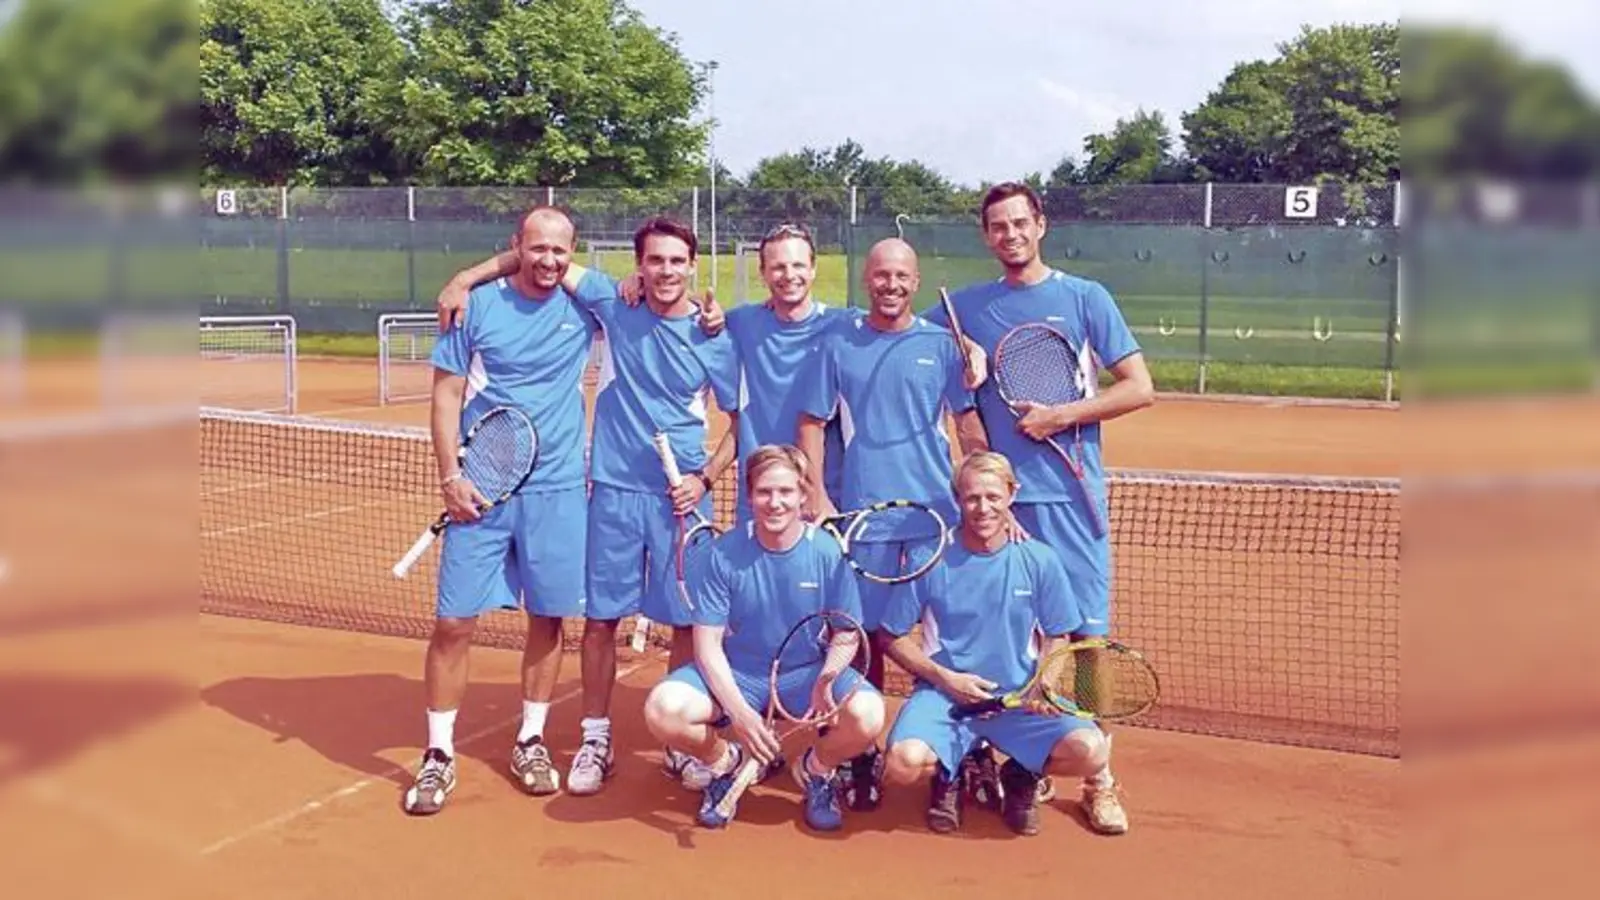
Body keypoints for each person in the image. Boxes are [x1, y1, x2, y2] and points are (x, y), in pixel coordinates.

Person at [434, 216, 740, 797]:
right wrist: (464, 278)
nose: (666, 271)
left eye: (677, 261)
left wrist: (704, 478)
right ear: (639, 266)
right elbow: (532, 256)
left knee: (681, 622)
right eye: (655, 260)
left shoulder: (713, 336)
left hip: (680, 500)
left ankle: (679, 742)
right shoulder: (612, 302)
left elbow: (739, 421)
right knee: (601, 620)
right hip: (612, 490)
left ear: (692, 266)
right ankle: (595, 739)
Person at [922, 181, 1154, 835]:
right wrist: (964, 377)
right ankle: (993, 758)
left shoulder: (1085, 299)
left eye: (1020, 223)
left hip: (1072, 507)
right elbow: (956, 399)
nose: (1010, 235)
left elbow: (1140, 388)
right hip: (998, 513)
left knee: (1082, 643)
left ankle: (1101, 779)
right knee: (985, 640)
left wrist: (1064, 414)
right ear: (986, 235)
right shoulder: (962, 309)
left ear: (1040, 225)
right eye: (997, 226)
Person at [404, 205, 599, 816]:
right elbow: (444, 399)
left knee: (548, 618)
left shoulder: (586, 305)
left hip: (560, 489)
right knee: (454, 623)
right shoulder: (475, 307)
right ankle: (438, 754)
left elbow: (642, 291)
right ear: (517, 247)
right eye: (536, 249)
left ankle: (531, 740)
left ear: (573, 254)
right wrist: (450, 476)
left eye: (560, 252)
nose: (548, 261)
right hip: (481, 491)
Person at [795, 237, 989, 812]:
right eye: (882, 275)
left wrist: (985, 484)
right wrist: (819, 496)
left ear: (917, 279)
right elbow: (810, 423)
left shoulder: (941, 345)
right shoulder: (839, 343)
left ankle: (957, 755)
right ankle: (861, 752)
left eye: (902, 276)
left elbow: (966, 423)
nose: (891, 285)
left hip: (934, 521)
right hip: (863, 523)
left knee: (942, 640)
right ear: (868, 280)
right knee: (863, 641)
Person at [641, 445, 887, 831]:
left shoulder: (826, 552)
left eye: (786, 492)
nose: (775, 503)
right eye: (765, 492)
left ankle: (816, 770)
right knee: (663, 709)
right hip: (740, 671)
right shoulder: (724, 554)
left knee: (869, 715)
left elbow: (845, 632)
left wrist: (826, 677)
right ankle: (727, 764)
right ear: (750, 495)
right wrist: (741, 716)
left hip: (806, 673)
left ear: (803, 494)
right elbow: (706, 646)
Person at [880, 451, 1110, 836]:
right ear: (957, 500)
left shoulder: (1039, 560)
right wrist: (945, 679)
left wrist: (1042, 681)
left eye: (992, 497)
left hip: (1018, 697)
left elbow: (1058, 631)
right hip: (948, 699)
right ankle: (949, 772)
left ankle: (1021, 774)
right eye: (971, 498)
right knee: (901, 763)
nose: (982, 508)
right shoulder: (930, 557)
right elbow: (891, 635)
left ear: (1011, 495)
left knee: (1090, 750)